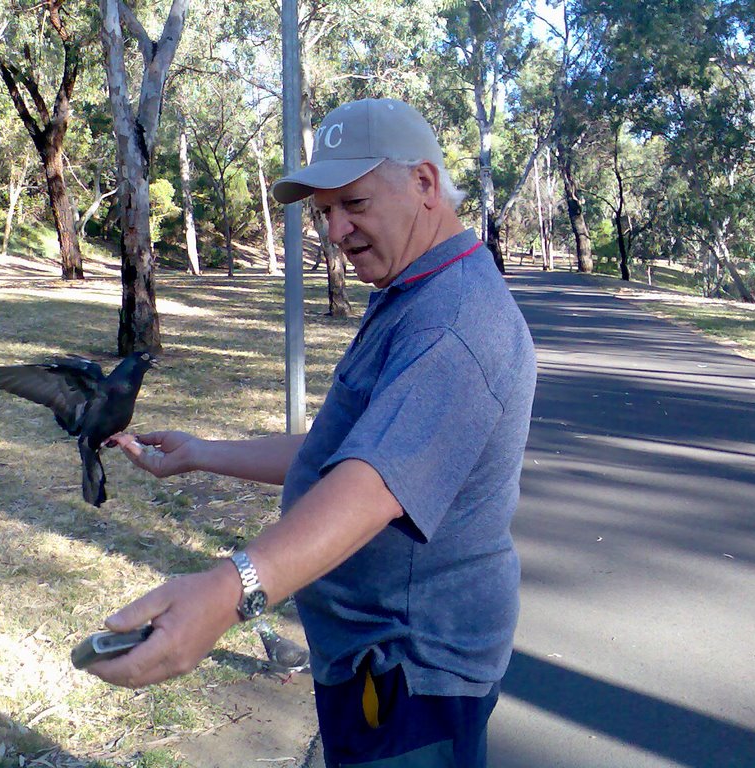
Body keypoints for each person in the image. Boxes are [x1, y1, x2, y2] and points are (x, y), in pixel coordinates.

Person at [93, 97, 537, 767]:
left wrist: (227, 593)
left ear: (423, 183)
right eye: (326, 212)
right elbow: (352, 448)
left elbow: (372, 485)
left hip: (409, 675)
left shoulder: (454, 323)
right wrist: (204, 455)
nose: (336, 231)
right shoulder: (413, 291)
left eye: (354, 203)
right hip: (372, 662)